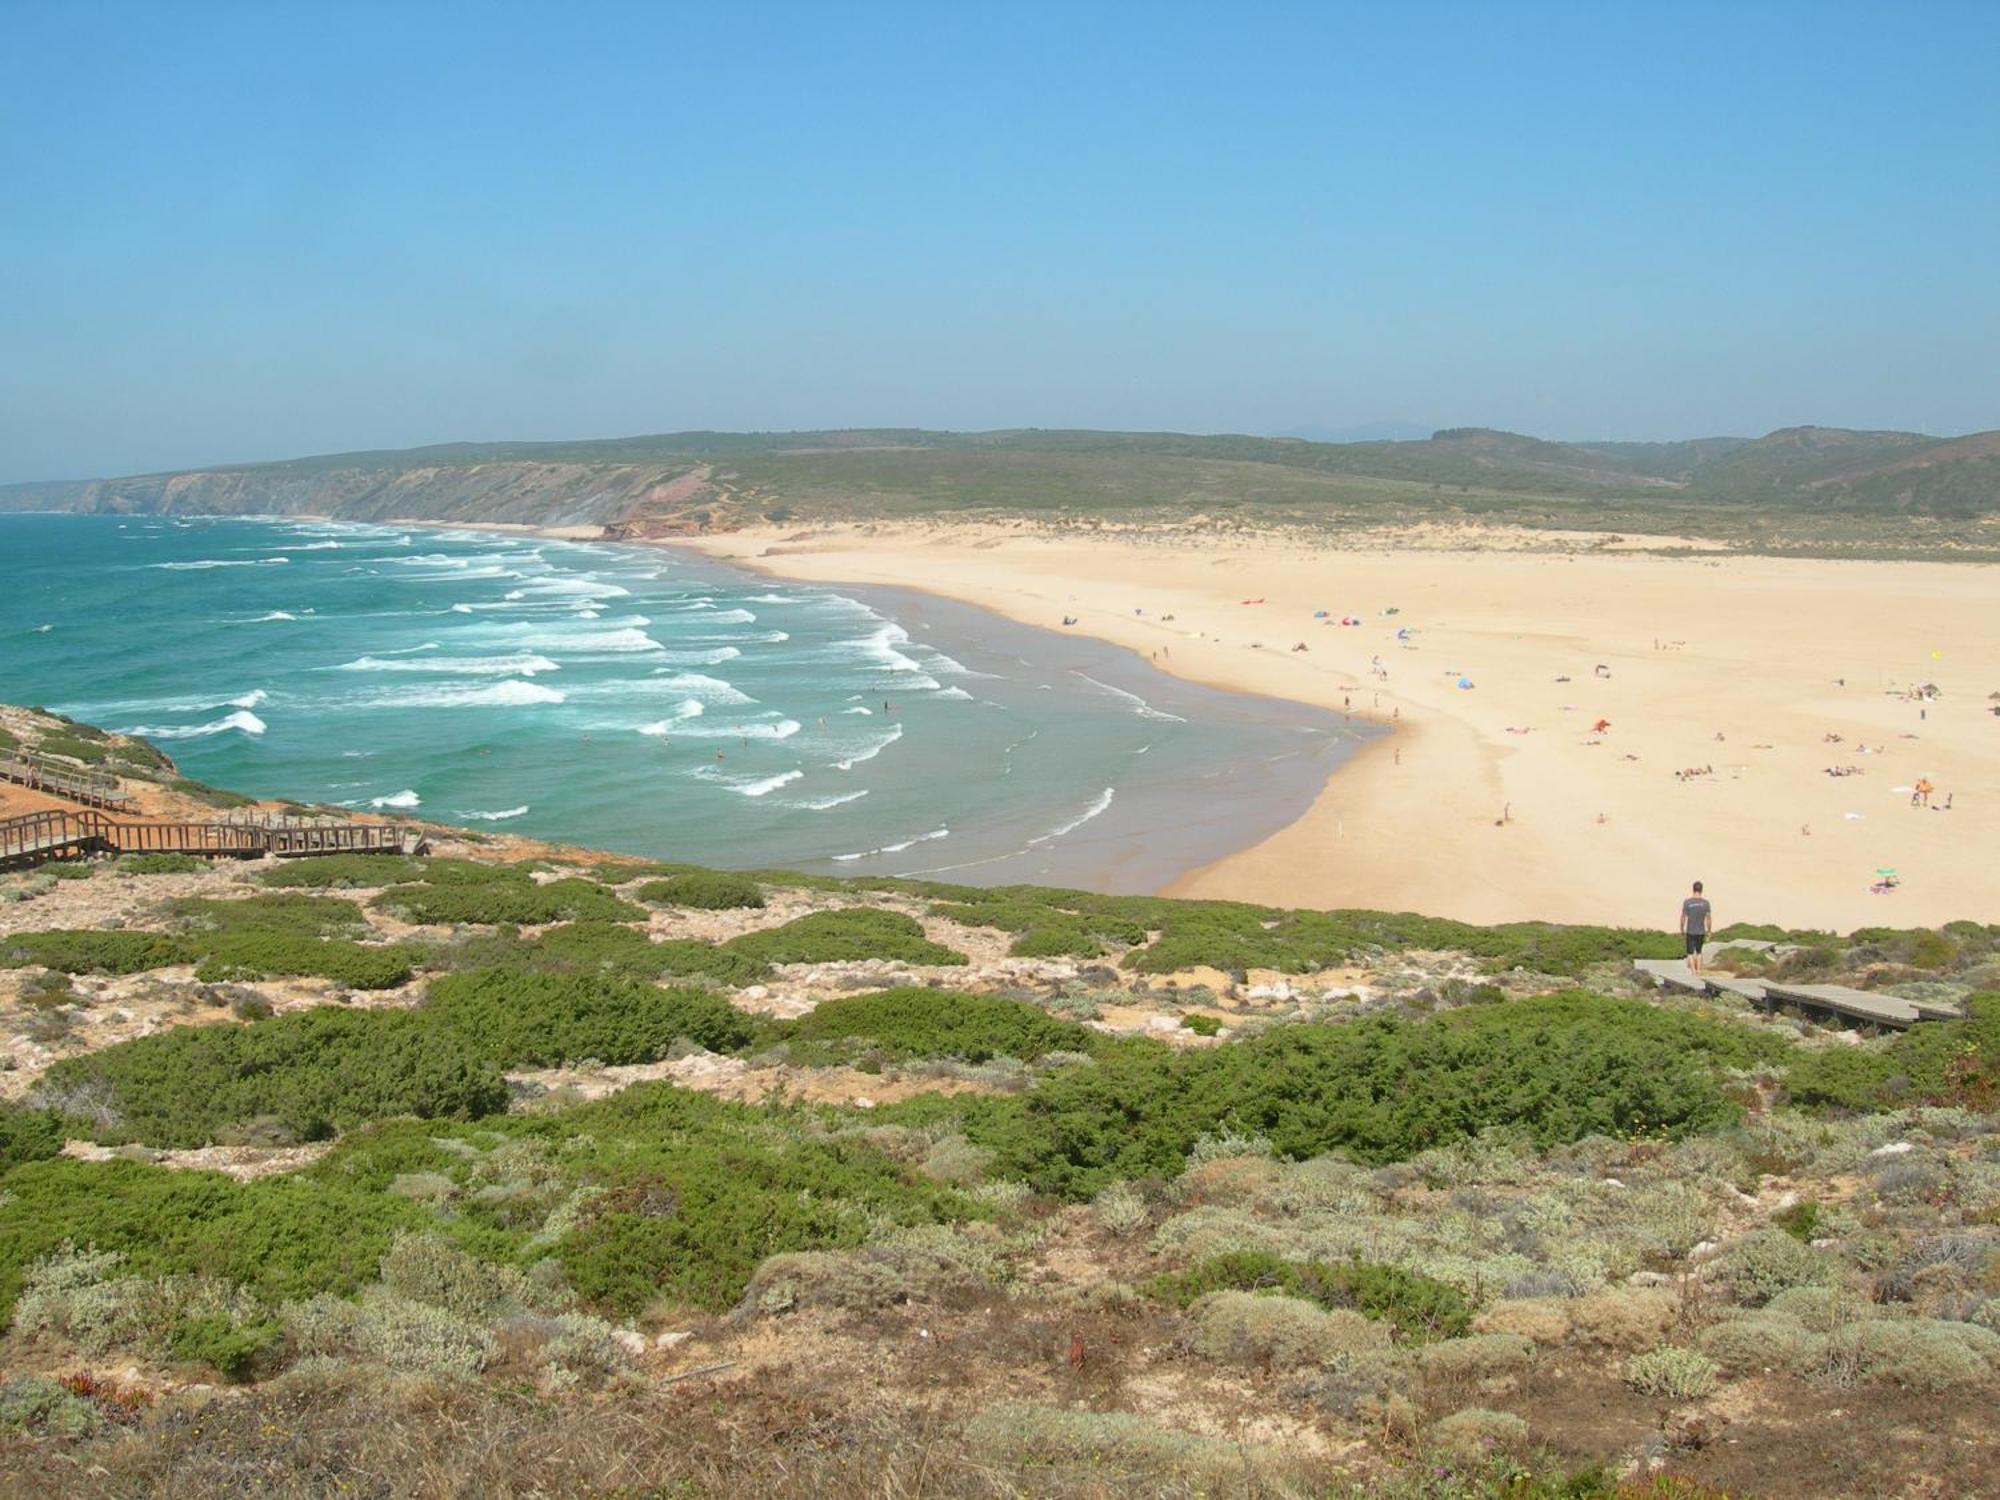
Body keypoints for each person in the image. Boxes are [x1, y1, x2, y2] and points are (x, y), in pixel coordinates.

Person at [1679, 881, 1713, 973]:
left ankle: (1693, 971)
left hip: (1690, 931)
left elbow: (1683, 917)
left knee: (1690, 953)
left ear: (1693, 889)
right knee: (1699, 952)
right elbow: (1708, 918)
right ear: (1701, 890)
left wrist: (1681, 929)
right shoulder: (1706, 903)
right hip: (1701, 931)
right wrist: (1709, 930)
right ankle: (1698, 971)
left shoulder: (1687, 902)